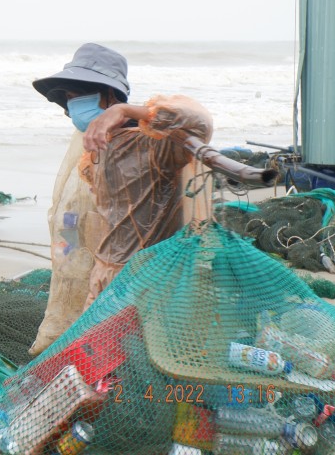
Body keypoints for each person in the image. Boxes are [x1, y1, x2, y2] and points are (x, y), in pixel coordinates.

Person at [28, 43, 212, 353]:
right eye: (70, 100)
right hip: (106, 276)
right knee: (96, 367)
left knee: (139, 361)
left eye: (79, 97)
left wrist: (126, 111)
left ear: (109, 96)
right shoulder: (95, 146)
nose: (73, 106)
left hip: (149, 278)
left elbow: (199, 121)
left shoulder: (153, 144)